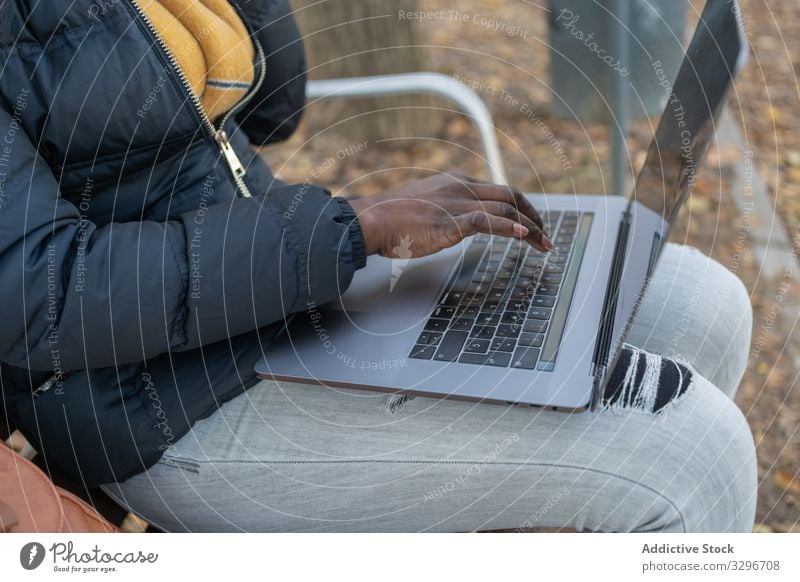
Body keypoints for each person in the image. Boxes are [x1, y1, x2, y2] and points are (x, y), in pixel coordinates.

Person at [0, 0, 757, 532]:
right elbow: (44, 293)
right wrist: (353, 232)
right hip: (159, 398)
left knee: (701, 304)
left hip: (278, 294)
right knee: (695, 454)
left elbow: (275, 106)